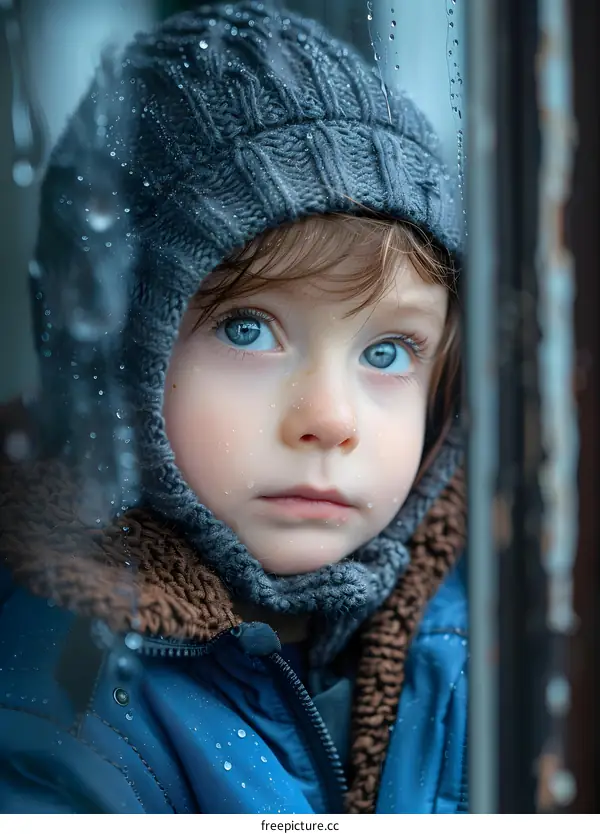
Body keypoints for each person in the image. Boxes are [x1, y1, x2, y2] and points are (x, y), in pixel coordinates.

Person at [0, 0, 467, 814]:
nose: (331, 418)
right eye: (248, 329)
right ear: (118, 354)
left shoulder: (495, 635)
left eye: (387, 353)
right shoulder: (58, 700)